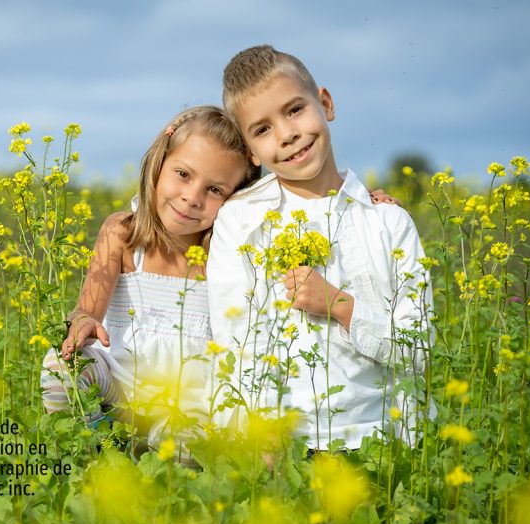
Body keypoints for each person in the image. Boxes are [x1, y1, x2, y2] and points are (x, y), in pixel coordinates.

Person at [207, 45, 433, 451]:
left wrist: (340, 305)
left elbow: (420, 349)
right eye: (262, 129)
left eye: (294, 110)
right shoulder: (240, 222)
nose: (288, 134)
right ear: (251, 153)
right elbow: (234, 342)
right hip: (288, 453)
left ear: (325, 103)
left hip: (386, 447)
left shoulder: (387, 222)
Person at [40, 106, 260, 455]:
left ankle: (153, 462)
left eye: (215, 189)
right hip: (118, 390)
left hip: (186, 404)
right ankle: (102, 451)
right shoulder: (123, 233)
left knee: (189, 446)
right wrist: (82, 321)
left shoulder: (223, 255)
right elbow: (88, 308)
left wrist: (362, 204)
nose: (192, 197)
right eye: (183, 174)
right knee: (60, 368)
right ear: (159, 162)